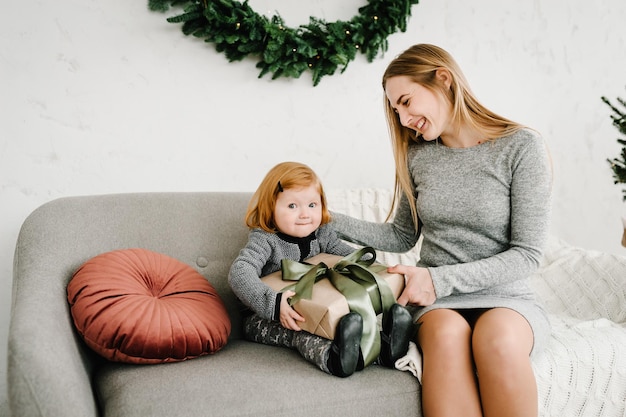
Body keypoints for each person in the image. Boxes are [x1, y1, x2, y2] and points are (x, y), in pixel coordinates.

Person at [331, 44, 552, 416]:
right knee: (447, 337)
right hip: (438, 304)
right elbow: (401, 237)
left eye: (406, 101)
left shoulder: (521, 146)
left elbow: (527, 254)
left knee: (496, 340)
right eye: (395, 110)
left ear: (443, 79)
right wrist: (325, 218)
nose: (402, 119)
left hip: (506, 298)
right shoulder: (418, 156)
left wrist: (438, 279)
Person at [228, 161, 413, 378]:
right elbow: (239, 272)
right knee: (298, 331)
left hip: (314, 304)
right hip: (264, 318)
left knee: (347, 318)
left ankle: (384, 348)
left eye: (312, 205)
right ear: (270, 207)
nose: (305, 214)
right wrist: (275, 304)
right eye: (292, 206)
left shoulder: (321, 233)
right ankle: (333, 358)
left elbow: (343, 254)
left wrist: (378, 271)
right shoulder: (265, 239)